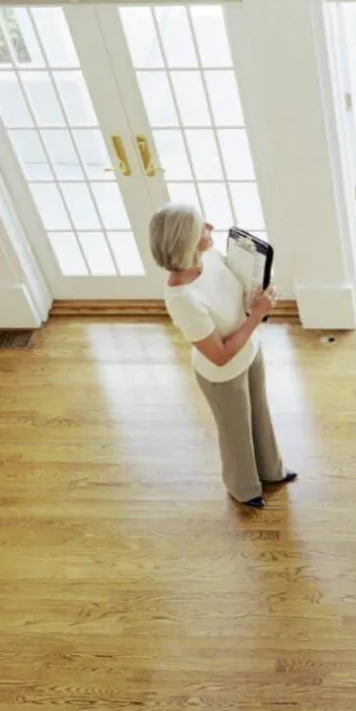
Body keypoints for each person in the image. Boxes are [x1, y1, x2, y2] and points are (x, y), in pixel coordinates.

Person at [152, 202, 296, 509]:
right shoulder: (182, 299)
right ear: (186, 242)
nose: (211, 227)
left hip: (250, 350)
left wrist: (254, 298)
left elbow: (235, 293)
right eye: (202, 227)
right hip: (223, 373)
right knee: (235, 433)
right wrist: (257, 316)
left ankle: (272, 470)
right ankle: (243, 487)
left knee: (260, 413)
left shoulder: (210, 256)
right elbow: (219, 355)